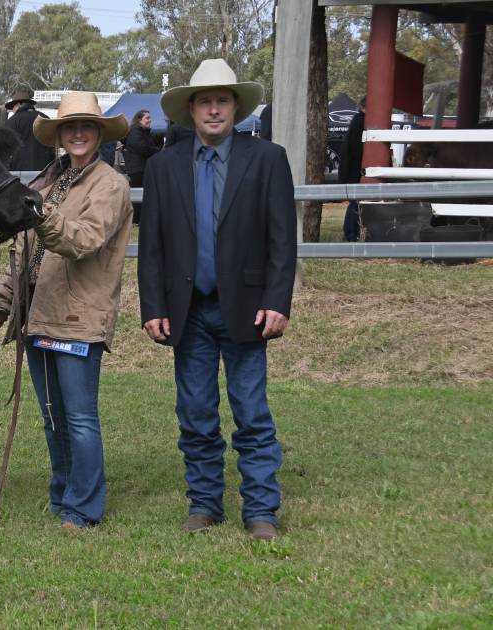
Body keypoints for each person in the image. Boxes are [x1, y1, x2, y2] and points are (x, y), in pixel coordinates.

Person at [137, 59, 296, 542]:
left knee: (252, 413)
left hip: (248, 307)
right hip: (188, 310)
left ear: (236, 108)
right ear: (190, 109)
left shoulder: (267, 158)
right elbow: (153, 247)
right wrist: (153, 306)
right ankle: (205, 504)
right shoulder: (164, 167)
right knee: (196, 414)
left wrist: (278, 300)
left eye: (222, 100)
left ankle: (261, 511)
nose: (213, 109)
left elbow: (282, 240)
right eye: (205, 101)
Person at [0, 92, 133, 530]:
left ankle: (83, 507)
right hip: (38, 315)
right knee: (52, 415)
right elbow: (23, 253)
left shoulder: (111, 186)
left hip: (79, 317)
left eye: (87, 126)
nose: (79, 133)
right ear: (60, 136)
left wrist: (39, 210)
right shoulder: (49, 181)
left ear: (100, 133)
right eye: (71, 127)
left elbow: (83, 241)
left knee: (80, 417)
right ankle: (63, 494)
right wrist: (1, 304)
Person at [4, 87, 53, 172]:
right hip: (44, 172)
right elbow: (52, 146)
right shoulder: (45, 118)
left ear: (19, 104)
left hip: (19, 172)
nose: (12, 110)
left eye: (13, 107)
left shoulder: (12, 121)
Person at [338, 97, 366, 242]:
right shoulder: (360, 121)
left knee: (355, 203)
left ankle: (350, 233)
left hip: (352, 169)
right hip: (355, 169)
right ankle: (350, 234)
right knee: (356, 203)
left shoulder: (356, 120)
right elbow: (356, 149)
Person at [123, 109, 160, 191]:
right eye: (147, 118)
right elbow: (144, 149)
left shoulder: (144, 132)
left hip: (143, 169)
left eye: (150, 118)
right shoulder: (134, 132)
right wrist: (158, 150)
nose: (150, 120)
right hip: (138, 171)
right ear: (139, 120)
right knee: (139, 196)